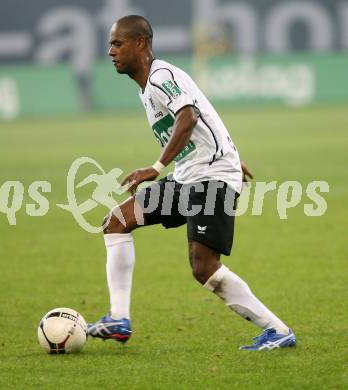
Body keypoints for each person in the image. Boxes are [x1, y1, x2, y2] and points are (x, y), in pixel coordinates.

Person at [87, 15, 296, 351]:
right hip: (192, 175)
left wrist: (156, 167)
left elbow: (189, 115)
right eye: (110, 44)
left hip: (210, 178)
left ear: (140, 43)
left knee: (204, 267)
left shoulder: (160, 76)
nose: (110, 51)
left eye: (117, 43)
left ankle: (278, 330)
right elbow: (202, 111)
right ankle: (118, 319)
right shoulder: (148, 87)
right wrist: (229, 152)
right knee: (117, 221)